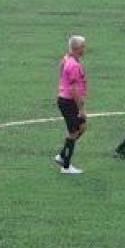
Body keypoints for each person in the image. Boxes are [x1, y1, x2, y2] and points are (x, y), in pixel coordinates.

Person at [54, 35, 89, 175]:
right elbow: (73, 89)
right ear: (77, 48)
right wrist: (80, 108)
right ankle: (66, 166)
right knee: (73, 132)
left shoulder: (67, 59)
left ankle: (62, 155)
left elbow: (61, 68)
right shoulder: (73, 65)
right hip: (69, 102)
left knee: (83, 127)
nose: (85, 49)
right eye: (83, 46)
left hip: (67, 100)